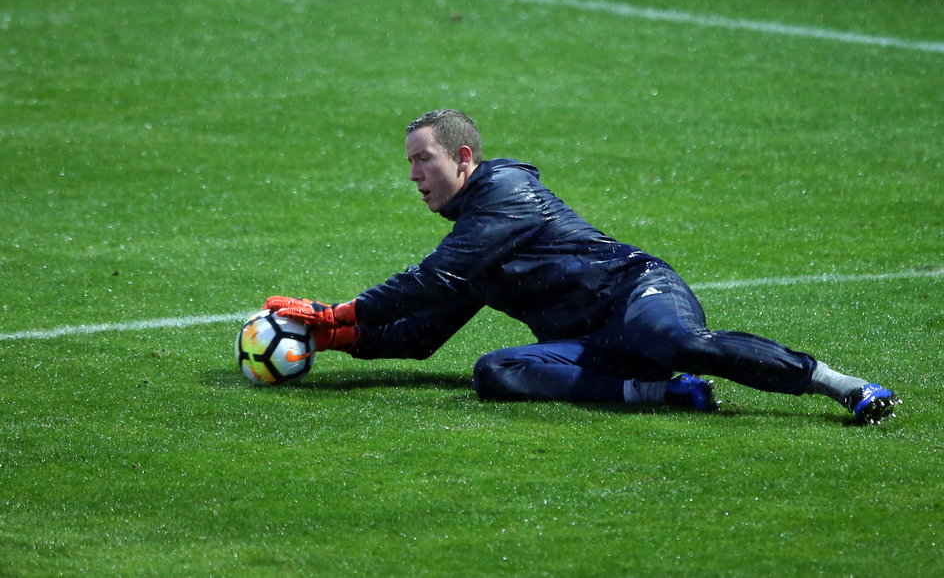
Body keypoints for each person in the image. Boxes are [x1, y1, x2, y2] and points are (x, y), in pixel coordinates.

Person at [265, 109, 900, 424]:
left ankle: (841, 386)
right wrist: (341, 339)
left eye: (422, 160)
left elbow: (432, 279)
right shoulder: (473, 241)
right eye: (407, 164)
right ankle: (665, 392)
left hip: (637, 293)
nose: (412, 176)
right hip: (591, 343)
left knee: (676, 340)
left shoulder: (504, 197)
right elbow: (421, 335)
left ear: (462, 157)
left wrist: (342, 310)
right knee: (496, 372)